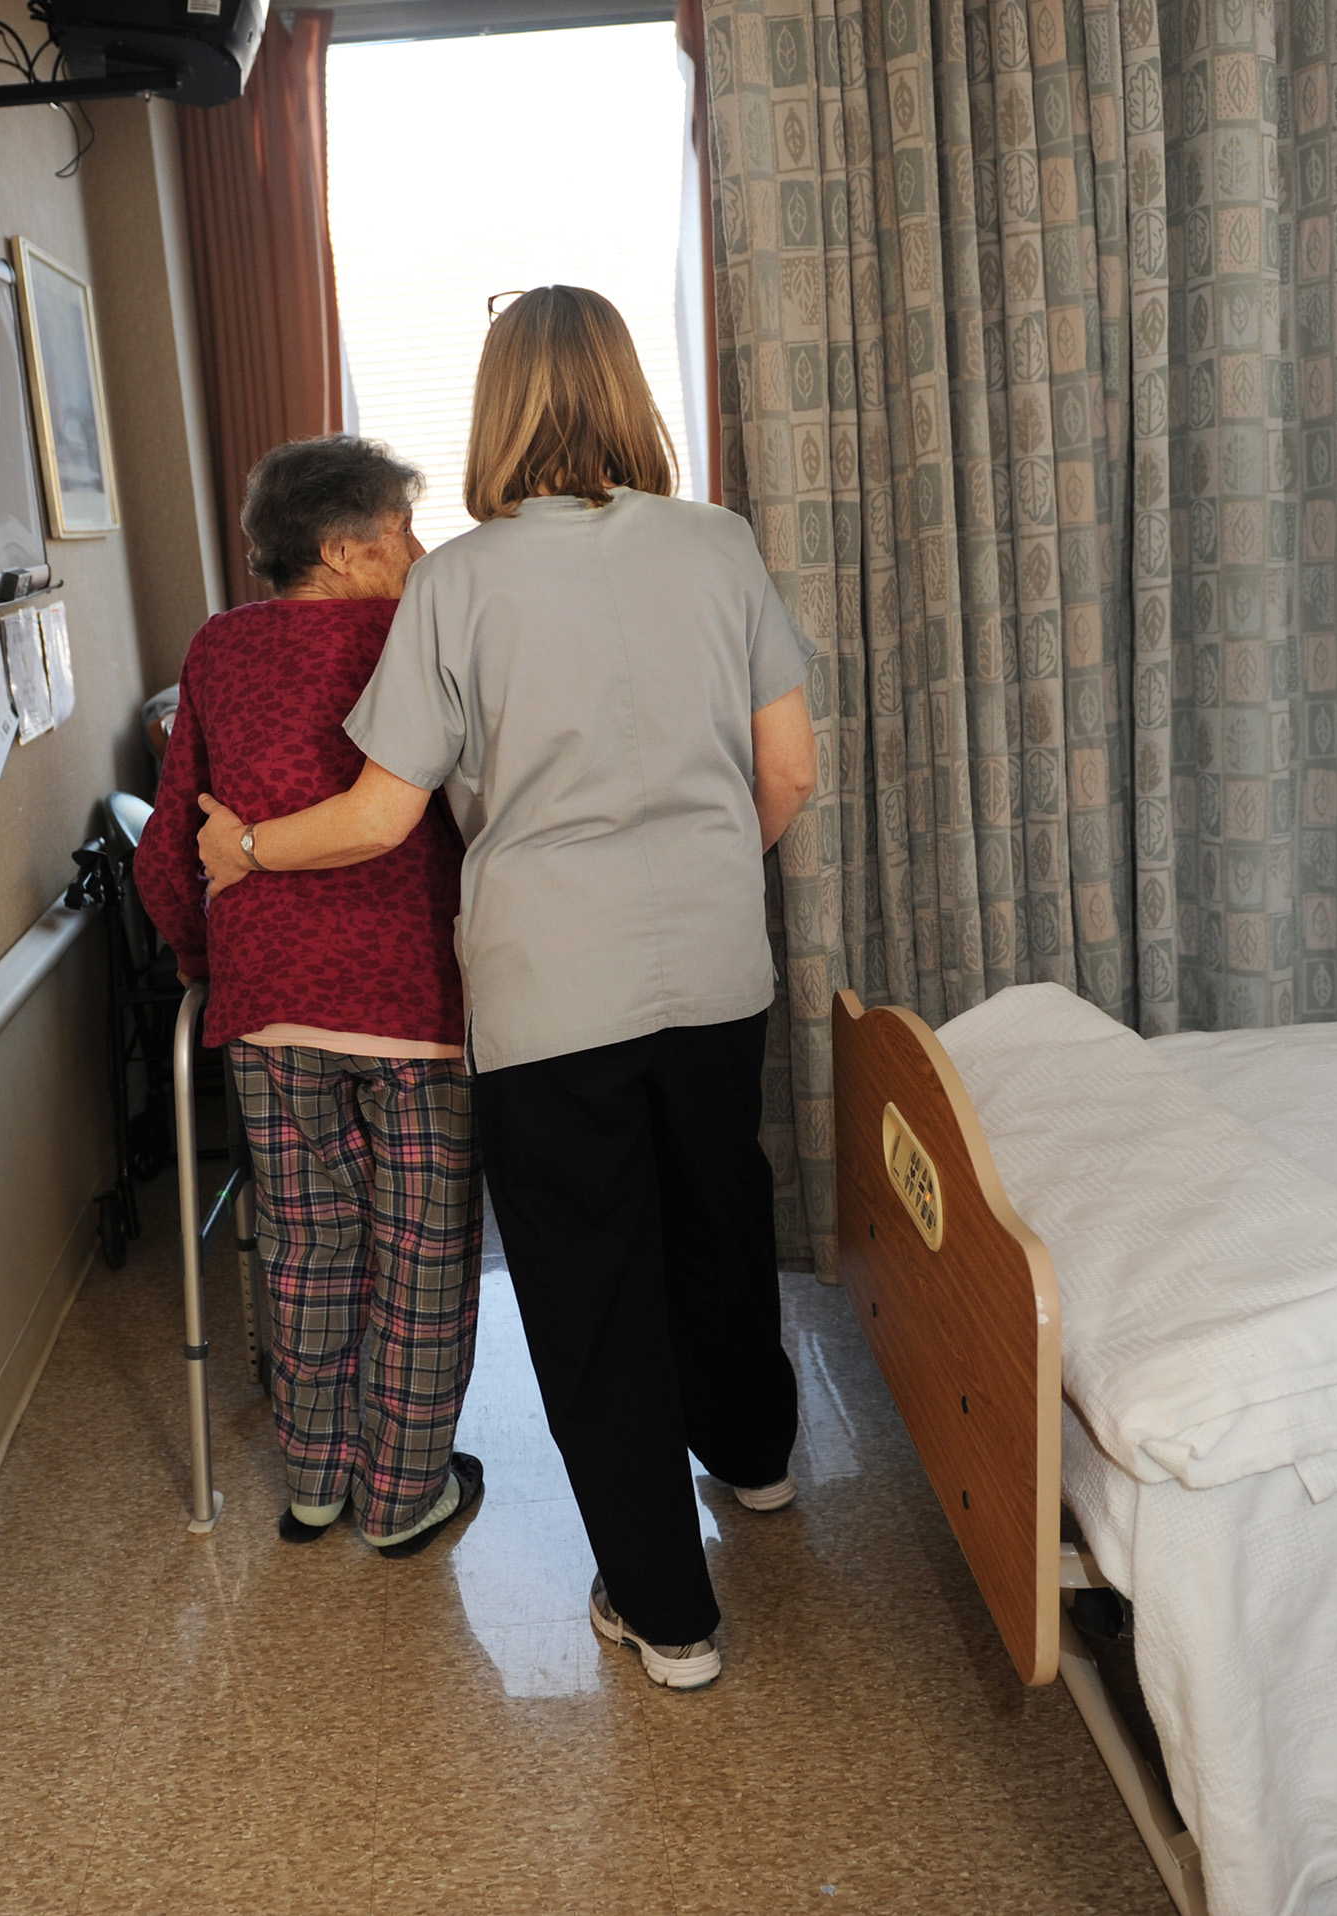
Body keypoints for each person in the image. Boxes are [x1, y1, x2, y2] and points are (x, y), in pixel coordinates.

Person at [195, 287, 819, 1688]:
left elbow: (375, 818)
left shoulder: (459, 584)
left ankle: (670, 1614)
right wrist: (704, 866)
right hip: (718, 961)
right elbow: (789, 772)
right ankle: (761, 1460)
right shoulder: (719, 547)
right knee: (720, 1213)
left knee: (595, 1287)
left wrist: (242, 848)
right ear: (627, 390)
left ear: (497, 411)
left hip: (549, 990)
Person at [134, 436, 487, 1559]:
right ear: (341, 549)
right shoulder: (415, 635)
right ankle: (403, 1495)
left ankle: (318, 1482)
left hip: (270, 1004)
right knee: (422, 1253)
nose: (417, 552)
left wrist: (206, 960)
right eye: (397, 532)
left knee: (303, 1243)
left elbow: (165, 847)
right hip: (410, 999)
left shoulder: (218, 649)